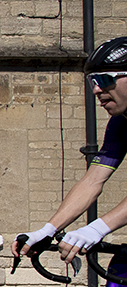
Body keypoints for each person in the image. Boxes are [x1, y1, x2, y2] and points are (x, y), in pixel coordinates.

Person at [14, 37, 127, 270]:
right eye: (92, 81)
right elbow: (93, 180)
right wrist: (48, 230)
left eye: (105, 79)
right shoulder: (120, 124)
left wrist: (97, 228)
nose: (96, 89)